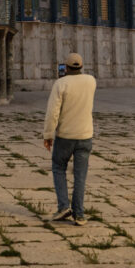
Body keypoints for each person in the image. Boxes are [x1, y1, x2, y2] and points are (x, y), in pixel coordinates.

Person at [42, 52, 96, 226]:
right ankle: (79, 214)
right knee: (80, 175)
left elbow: (52, 113)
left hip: (66, 136)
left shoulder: (61, 84)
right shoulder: (91, 81)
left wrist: (48, 135)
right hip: (86, 135)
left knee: (58, 168)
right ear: (81, 66)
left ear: (65, 67)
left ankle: (64, 206)